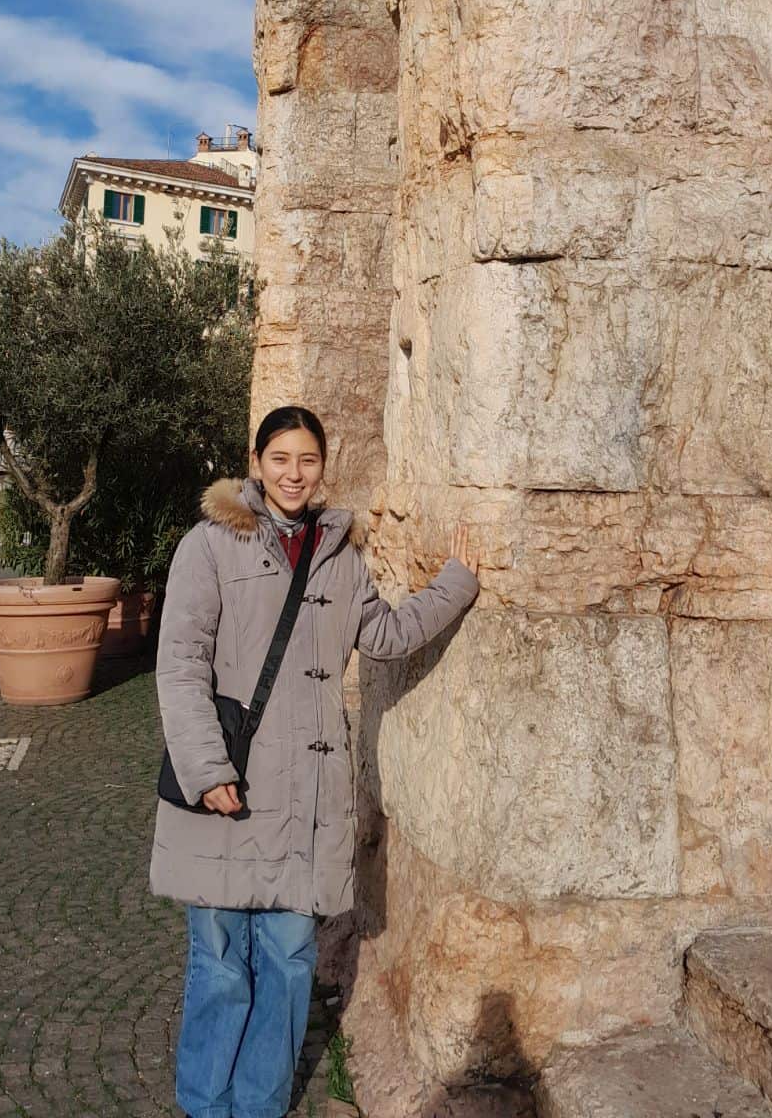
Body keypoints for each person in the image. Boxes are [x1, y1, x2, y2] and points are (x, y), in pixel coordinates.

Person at [152, 405, 480, 1118]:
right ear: (256, 462)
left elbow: (387, 636)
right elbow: (179, 665)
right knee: (220, 964)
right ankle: (206, 1106)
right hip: (230, 789)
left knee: (289, 961)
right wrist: (208, 771)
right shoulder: (209, 547)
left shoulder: (341, 556)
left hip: (305, 798)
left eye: (307, 460)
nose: (294, 474)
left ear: (322, 466)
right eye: (280, 459)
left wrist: (456, 584)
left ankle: (259, 1106)